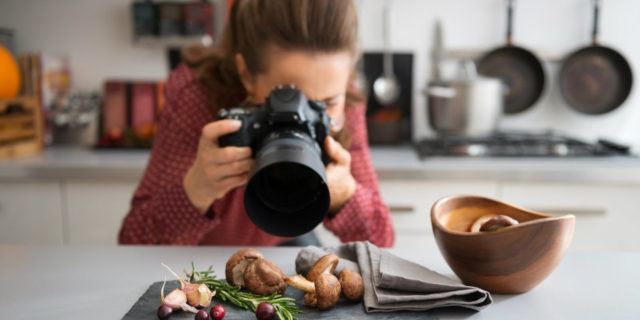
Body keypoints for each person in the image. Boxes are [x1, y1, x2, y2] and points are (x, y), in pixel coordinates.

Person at [118, 0, 394, 247]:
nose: (302, 117)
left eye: (326, 103)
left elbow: (383, 240)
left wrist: (346, 194)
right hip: (200, 252)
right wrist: (196, 190)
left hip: (285, 240)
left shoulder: (346, 105)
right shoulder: (197, 96)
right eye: (286, 98)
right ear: (246, 74)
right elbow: (134, 240)